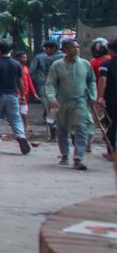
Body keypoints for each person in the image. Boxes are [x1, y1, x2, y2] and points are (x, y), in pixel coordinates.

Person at [44, 39, 98, 171]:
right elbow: (50, 83)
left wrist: (93, 96)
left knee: (81, 128)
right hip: (62, 102)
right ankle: (64, 154)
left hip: (80, 102)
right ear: (65, 50)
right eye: (73, 48)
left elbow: (91, 81)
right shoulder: (57, 65)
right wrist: (51, 98)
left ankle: (78, 158)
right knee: (62, 129)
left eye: (78, 47)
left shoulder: (85, 64)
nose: (76, 50)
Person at [0, 41, 30, 154]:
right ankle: (20, 135)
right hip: (13, 95)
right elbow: (20, 81)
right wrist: (22, 95)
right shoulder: (16, 64)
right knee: (15, 118)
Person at [30, 41, 59, 140]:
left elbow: (32, 70)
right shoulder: (61, 57)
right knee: (54, 107)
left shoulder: (39, 57)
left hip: (43, 84)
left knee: (48, 107)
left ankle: (53, 132)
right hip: (57, 85)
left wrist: (34, 80)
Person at [97, 49, 116, 161]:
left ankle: (112, 152)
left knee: (111, 125)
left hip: (111, 100)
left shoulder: (105, 64)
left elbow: (102, 80)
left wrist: (100, 97)